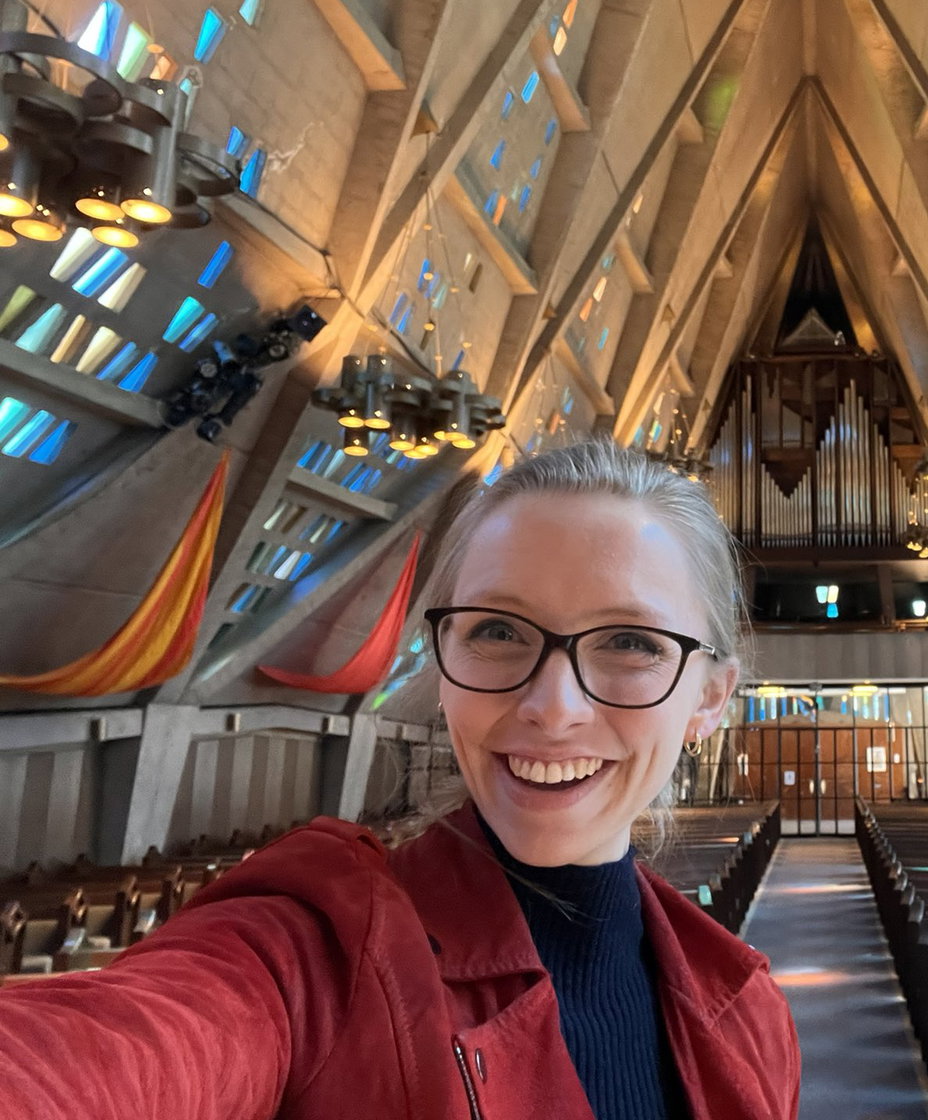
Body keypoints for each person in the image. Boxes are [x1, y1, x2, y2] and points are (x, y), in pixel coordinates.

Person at [0, 439, 801, 1120]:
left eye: (630, 643)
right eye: (496, 630)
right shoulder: (318, 955)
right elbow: (120, 1046)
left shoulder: (748, 1014)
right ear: (440, 665)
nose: (552, 709)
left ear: (709, 697)